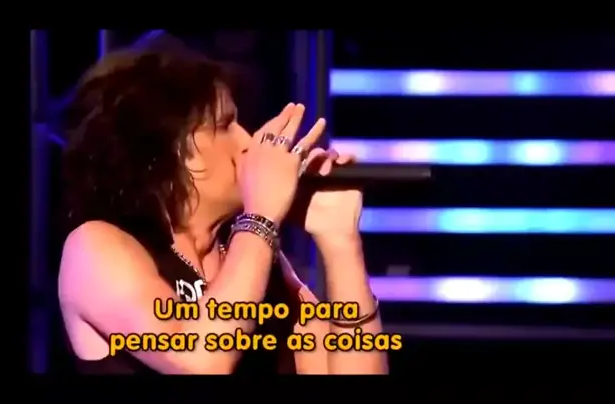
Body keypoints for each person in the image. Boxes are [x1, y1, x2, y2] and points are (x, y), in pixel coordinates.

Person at [57, 42, 388, 374]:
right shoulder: (96, 248)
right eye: (224, 125)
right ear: (171, 149)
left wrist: (340, 242)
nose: (247, 142)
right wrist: (261, 216)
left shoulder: (251, 256)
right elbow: (200, 359)